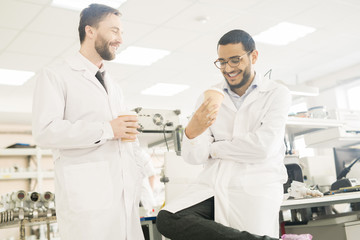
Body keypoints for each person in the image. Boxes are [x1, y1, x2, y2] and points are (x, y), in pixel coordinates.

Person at [156, 29, 292, 240]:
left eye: (235, 60)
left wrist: (215, 148)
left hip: (256, 185)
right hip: (214, 185)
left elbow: (262, 148)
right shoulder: (208, 97)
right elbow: (194, 157)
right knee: (169, 218)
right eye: (222, 62)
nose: (228, 68)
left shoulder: (276, 94)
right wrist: (192, 132)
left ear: (253, 56)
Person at [32, 4, 151, 240]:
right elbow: (44, 131)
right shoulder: (56, 74)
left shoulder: (113, 84)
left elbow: (121, 136)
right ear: (90, 31)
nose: (120, 39)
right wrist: (107, 129)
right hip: (87, 199)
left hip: (124, 198)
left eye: (121, 33)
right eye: (114, 31)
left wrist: (140, 176)